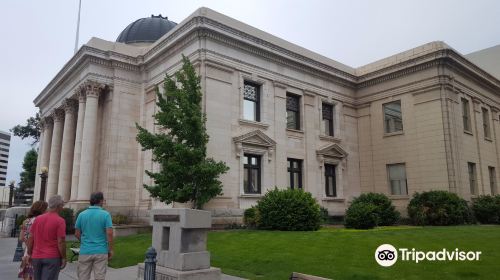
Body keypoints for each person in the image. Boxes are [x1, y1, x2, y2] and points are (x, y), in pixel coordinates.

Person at [75, 192, 113, 280]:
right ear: (100, 201)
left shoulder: (82, 214)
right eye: (103, 200)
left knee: (83, 277)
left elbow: (77, 233)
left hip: (85, 250)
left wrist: (84, 242)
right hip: (101, 250)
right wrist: (110, 249)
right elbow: (109, 233)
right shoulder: (105, 214)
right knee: (100, 277)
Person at [27, 195, 67, 280]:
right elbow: (61, 241)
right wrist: (64, 257)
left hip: (36, 256)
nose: (63, 207)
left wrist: (29, 253)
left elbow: (31, 238)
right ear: (58, 206)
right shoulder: (60, 221)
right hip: (52, 257)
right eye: (62, 205)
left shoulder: (37, 219)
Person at [18, 200, 48, 280]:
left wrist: (27, 243)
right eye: (46, 208)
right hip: (39, 252)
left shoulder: (26, 221)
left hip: (27, 252)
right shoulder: (42, 220)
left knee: (28, 276)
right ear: (42, 209)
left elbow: (21, 238)